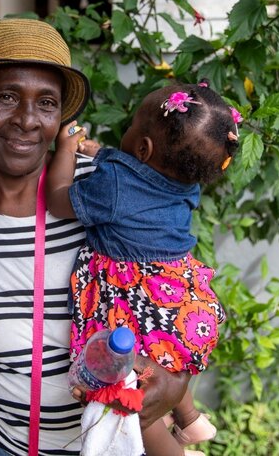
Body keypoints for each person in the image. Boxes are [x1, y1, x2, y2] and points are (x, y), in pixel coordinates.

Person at [0, 18, 190, 455]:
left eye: (46, 103)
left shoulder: (100, 195)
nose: (28, 120)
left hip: (106, 444)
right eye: (7, 96)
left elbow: (175, 293)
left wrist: (177, 380)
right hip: (2, 443)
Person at [46, 81, 239, 455]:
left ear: (143, 148)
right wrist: (99, 152)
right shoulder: (186, 181)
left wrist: (66, 152)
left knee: (132, 401)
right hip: (176, 296)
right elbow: (136, 171)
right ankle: (190, 418)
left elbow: (58, 200)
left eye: (133, 124)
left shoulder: (114, 187)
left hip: (132, 302)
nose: (128, 128)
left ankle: (174, 453)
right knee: (165, 361)